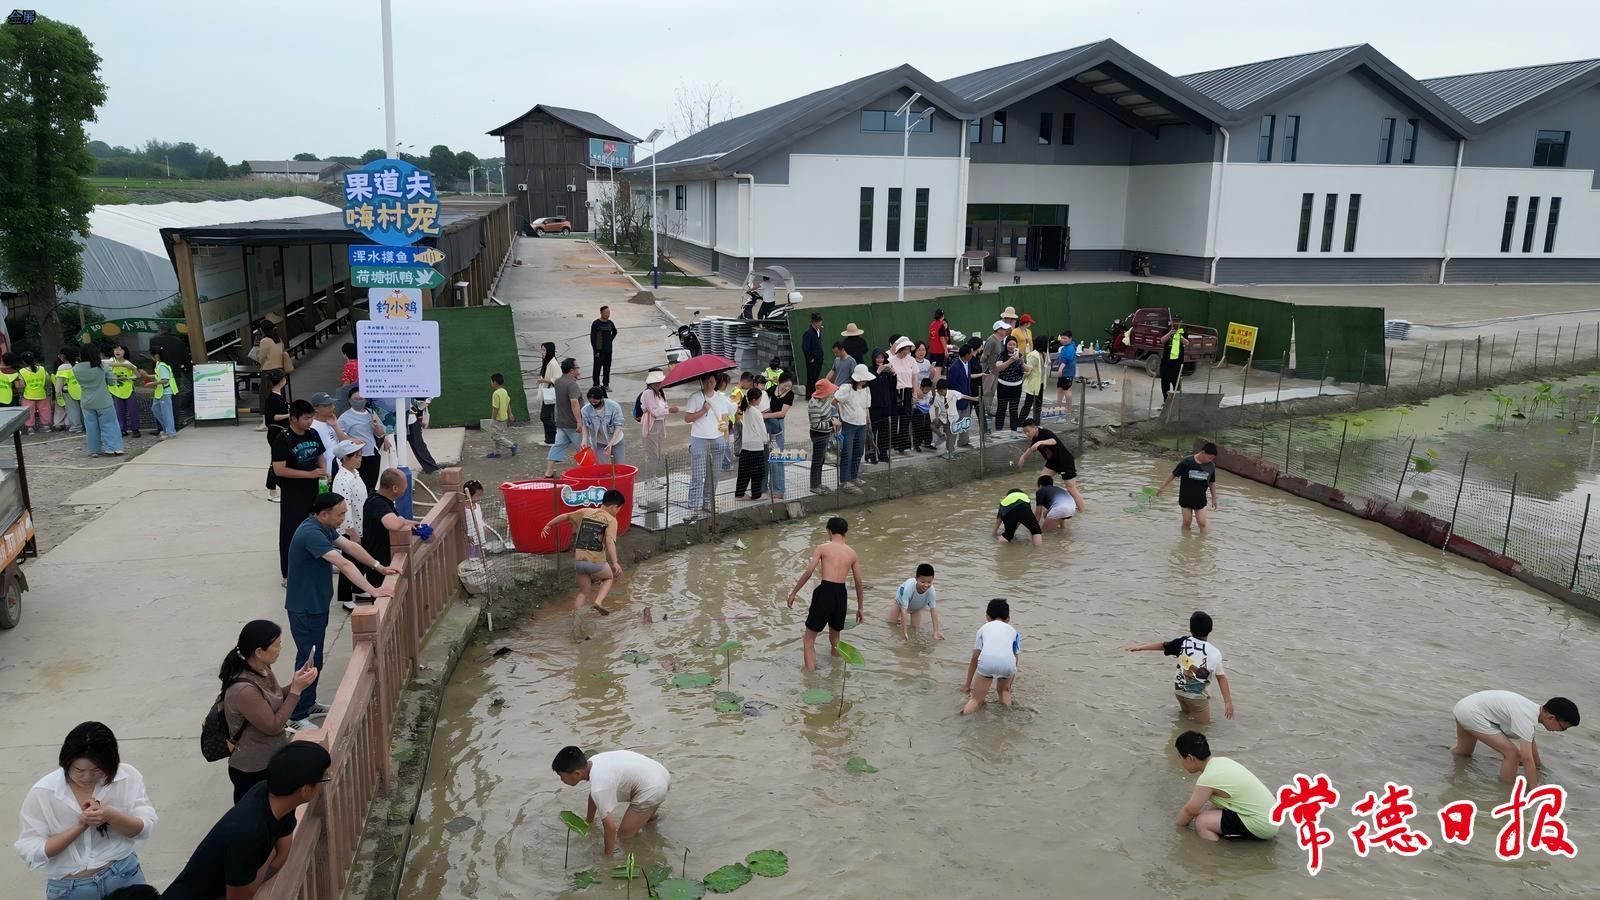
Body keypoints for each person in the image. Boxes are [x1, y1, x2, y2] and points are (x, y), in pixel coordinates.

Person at [161, 742, 331, 900]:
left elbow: (281, 856)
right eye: (324, 778)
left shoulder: (271, 792)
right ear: (305, 790)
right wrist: (268, 857)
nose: (325, 781)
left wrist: (265, 861)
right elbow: (240, 897)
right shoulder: (249, 833)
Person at [286, 492, 396, 728]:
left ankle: (309, 703)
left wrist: (379, 566)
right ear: (324, 514)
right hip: (304, 607)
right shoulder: (311, 533)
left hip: (317, 604)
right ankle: (296, 716)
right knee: (307, 659)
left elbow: (351, 547)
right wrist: (373, 590)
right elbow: (344, 563)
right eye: (340, 514)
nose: (343, 518)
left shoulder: (324, 527)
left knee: (315, 658)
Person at [15, 721, 157, 898]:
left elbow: (144, 829)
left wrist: (110, 815)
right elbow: (32, 851)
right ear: (66, 762)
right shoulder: (44, 792)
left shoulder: (126, 777)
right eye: (79, 770)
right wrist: (80, 827)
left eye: (96, 770)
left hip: (123, 875)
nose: (87, 777)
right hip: (71, 890)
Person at [218, 620, 317, 803]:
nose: (280, 649)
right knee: (258, 813)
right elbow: (273, 726)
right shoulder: (244, 690)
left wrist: (298, 684)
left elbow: (275, 698)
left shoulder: (263, 668)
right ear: (259, 651)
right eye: (276, 645)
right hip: (253, 769)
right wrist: (296, 691)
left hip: (272, 758)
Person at [551, 746, 670, 857]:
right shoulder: (594, 761)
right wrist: (589, 821)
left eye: (562, 776)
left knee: (623, 837)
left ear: (577, 773)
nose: (562, 780)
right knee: (648, 820)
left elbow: (610, 828)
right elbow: (593, 796)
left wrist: (607, 858)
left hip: (652, 789)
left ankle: (643, 854)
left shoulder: (599, 787)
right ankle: (652, 830)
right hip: (660, 774)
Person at [1124, 610, 1235, 724]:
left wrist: (1140, 647)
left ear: (1190, 629)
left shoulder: (1182, 642)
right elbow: (1221, 678)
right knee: (1203, 727)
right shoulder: (1214, 653)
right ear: (1210, 630)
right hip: (1196, 697)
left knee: (1185, 718)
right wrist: (1228, 702)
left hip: (1179, 690)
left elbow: (1163, 645)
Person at [785, 516, 865, 670]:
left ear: (829, 531)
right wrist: (860, 607)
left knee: (809, 640)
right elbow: (858, 582)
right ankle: (836, 674)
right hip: (841, 596)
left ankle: (810, 677)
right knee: (835, 640)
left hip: (825, 592)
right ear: (845, 533)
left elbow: (809, 572)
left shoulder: (823, 548)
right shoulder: (852, 553)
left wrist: (794, 592)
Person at [1451, 691, 1579, 784]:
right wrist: (1534, 791)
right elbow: (1527, 758)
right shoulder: (1527, 718)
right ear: (1551, 718)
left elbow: (1531, 745)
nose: (1560, 731)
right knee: (1513, 754)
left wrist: (1538, 766)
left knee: (1463, 753)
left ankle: (1442, 758)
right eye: (1563, 728)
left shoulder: (1530, 711)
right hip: (1472, 713)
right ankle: (1506, 789)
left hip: (1464, 706)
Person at [540, 489, 626, 629]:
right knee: (608, 578)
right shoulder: (611, 520)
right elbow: (610, 542)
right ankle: (598, 602)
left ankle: (576, 622)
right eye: (619, 509)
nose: (618, 511)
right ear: (614, 507)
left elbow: (565, 516)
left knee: (583, 592)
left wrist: (549, 524)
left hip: (579, 562)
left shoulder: (585, 512)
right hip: (596, 562)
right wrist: (615, 562)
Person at [1173, 732, 1279, 843]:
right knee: (1208, 816)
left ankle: (1216, 849)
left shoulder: (1207, 778)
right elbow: (1224, 799)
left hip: (1262, 826)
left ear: (1190, 758)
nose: (1180, 761)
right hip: (1272, 818)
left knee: (1202, 822)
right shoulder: (1223, 762)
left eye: (1180, 757)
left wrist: (1177, 829)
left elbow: (1190, 811)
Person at [271, 400, 326, 581]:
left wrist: (323, 472)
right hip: (294, 493)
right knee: (292, 532)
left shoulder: (313, 433)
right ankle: (289, 574)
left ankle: (318, 562)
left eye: (311, 418)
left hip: (315, 489)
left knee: (318, 527)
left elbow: (320, 455)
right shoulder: (283, 439)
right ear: (293, 418)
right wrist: (309, 474)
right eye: (306, 418)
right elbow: (279, 469)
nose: (310, 422)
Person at [683, 374, 733, 516]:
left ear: (716, 382)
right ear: (702, 381)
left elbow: (725, 417)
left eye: (712, 381)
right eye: (706, 381)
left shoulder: (721, 398)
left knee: (714, 475)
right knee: (698, 475)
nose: (709, 384)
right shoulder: (695, 397)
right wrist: (703, 410)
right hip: (699, 438)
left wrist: (725, 436)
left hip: (717, 438)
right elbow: (687, 418)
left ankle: (708, 502)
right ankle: (693, 505)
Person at [330, 440, 370, 611]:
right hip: (351, 529)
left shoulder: (354, 473)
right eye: (356, 456)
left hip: (361, 525)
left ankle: (359, 589)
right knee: (349, 562)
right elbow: (343, 509)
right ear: (345, 458)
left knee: (360, 561)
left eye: (360, 455)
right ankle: (346, 598)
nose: (360, 459)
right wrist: (351, 532)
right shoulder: (342, 480)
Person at [961, 598, 1019, 714]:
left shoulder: (983, 629)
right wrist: (1009, 685)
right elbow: (1015, 657)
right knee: (1004, 691)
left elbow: (975, 657)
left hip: (987, 662)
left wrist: (967, 684)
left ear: (987, 617)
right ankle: (1007, 716)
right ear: (1008, 619)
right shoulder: (1014, 632)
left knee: (976, 699)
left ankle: (961, 718)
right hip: (1008, 664)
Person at [1018, 419, 1086, 511]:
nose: (1026, 434)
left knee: (1071, 489)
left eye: (1028, 431)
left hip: (1064, 462)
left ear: (1035, 428)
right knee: (1042, 484)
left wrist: (1040, 442)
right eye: (1024, 432)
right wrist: (1023, 458)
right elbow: (1030, 450)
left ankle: (1082, 512)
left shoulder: (1045, 432)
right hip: (1052, 463)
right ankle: (1049, 504)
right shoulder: (1035, 438)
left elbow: (1053, 441)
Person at [73, 346, 124, 459]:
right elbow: (112, 382)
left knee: (91, 427)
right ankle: (113, 448)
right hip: (103, 400)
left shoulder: (76, 368)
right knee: (109, 424)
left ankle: (94, 450)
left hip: (86, 401)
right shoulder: (102, 366)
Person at [1158, 442, 1219, 532]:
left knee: (1202, 523)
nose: (1211, 460)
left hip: (1200, 499)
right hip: (1186, 498)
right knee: (1187, 522)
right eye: (1210, 458)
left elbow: (1212, 482)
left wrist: (1214, 498)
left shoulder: (1211, 466)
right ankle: (1184, 539)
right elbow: (1173, 475)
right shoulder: (1187, 462)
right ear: (1202, 452)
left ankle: (1203, 540)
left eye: (1212, 459)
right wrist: (1162, 488)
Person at [833, 365, 873, 493]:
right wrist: (840, 415)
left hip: (862, 424)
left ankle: (854, 476)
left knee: (858, 452)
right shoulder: (847, 388)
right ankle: (844, 481)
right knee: (847, 453)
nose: (864, 381)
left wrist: (868, 423)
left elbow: (866, 407)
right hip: (848, 425)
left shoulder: (866, 390)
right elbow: (834, 401)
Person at [336, 389, 386, 492]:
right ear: (349, 400)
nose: (359, 401)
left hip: (372, 454)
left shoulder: (371, 413)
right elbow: (339, 436)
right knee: (359, 485)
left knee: (372, 485)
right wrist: (352, 440)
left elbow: (380, 434)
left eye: (361, 398)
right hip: (356, 456)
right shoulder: (344, 417)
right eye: (356, 399)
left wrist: (376, 425)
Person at [545, 358, 584, 477]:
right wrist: (579, 422)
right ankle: (585, 473)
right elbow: (574, 403)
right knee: (583, 449)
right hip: (573, 424)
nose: (579, 369)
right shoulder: (572, 384)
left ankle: (549, 472)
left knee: (558, 446)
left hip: (561, 422)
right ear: (572, 370)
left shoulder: (559, 381)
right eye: (577, 367)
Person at [638, 370, 678, 483]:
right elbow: (654, 412)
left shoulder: (660, 393)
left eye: (659, 382)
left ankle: (653, 476)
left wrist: (668, 409)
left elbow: (662, 408)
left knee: (657, 453)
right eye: (655, 382)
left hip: (659, 424)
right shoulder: (648, 393)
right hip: (651, 425)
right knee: (652, 454)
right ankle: (649, 479)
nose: (657, 384)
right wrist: (669, 410)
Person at [887, 563, 943, 641]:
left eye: (929, 582)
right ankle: (899, 618)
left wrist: (936, 631)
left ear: (933, 579)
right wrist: (905, 632)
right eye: (923, 582)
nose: (926, 585)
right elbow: (904, 610)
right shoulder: (909, 588)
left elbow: (933, 611)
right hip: (900, 604)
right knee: (891, 624)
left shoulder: (931, 591)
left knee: (915, 629)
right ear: (916, 579)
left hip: (916, 608)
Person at [254, 322, 294, 425]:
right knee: (279, 395)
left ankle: (265, 422)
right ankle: (281, 417)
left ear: (262, 330)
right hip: (279, 370)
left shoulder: (265, 341)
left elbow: (262, 357)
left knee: (265, 396)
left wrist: (261, 365)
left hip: (268, 370)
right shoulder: (279, 340)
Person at [734, 385, 769, 500]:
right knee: (758, 472)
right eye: (760, 398)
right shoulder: (756, 412)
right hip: (756, 446)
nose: (761, 400)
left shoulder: (746, 409)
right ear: (754, 399)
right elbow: (761, 429)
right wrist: (766, 440)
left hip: (746, 445)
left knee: (744, 471)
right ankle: (756, 494)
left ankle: (739, 494)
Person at [763, 372, 793, 500]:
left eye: (789, 386)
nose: (787, 388)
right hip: (767, 424)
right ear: (779, 382)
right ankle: (765, 486)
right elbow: (763, 399)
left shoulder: (790, 395)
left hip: (778, 424)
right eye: (785, 385)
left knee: (777, 457)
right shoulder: (772, 389)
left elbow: (782, 413)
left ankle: (779, 489)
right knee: (766, 455)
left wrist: (765, 415)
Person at [262, 370, 289, 502]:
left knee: (281, 460)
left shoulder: (278, 396)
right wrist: (289, 414)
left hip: (280, 432)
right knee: (276, 461)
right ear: (281, 381)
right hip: (275, 432)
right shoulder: (272, 398)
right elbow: (272, 417)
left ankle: (278, 488)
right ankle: (272, 491)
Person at [807, 378, 839, 494]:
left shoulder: (825, 400)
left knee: (821, 460)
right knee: (817, 460)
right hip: (818, 434)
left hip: (826, 433)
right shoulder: (814, 404)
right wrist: (832, 423)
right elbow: (816, 424)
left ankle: (818, 483)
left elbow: (828, 415)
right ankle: (814, 485)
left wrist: (833, 420)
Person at [888, 337, 919, 453]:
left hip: (907, 390)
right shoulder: (891, 360)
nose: (907, 351)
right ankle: (892, 444)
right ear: (899, 349)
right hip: (895, 391)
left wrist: (914, 393)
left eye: (908, 349)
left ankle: (903, 445)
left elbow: (914, 377)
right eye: (905, 349)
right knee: (894, 418)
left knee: (906, 418)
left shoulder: (912, 360)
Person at [581, 387, 626, 465]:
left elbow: (618, 426)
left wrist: (611, 443)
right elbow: (585, 425)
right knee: (601, 466)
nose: (593, 404)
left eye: (596, 402)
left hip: (616, 441)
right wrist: (584, 439)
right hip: (599, 443)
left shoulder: (614, 406)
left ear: (602, 398)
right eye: (591, 402)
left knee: (620, 465)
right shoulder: (585, 410)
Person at [867, 349, 898, 461]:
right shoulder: (870, 370)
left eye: (882, 357)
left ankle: (883, 453)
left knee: (885, 431)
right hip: (874, 406)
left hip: (886, 405)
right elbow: (869, 385)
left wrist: (894, 374)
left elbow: (893, 386)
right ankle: (870, 454)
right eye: (878, 357)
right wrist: (877, 372)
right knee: (872, 431)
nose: (880, 360)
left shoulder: (887, 370)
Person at [105, 345, 141, 438]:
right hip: (116, 391)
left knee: (133, 410)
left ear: (125, 352)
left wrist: (129, 374)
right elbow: (104, 364)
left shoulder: (129, 364)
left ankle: (135, 429)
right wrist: (123, 365)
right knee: (119, 411)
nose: (118, 351)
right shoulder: (112, 360)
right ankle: (122, 429)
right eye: (116, 349)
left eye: (120, 350)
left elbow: (137, 376)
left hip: (128, 390)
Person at [992, 336, 1026, 432]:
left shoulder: (1020, 355)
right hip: (1003, 386)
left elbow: (1027, 369)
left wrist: (1021, 361)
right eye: (1009, 344)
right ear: (1006, 345)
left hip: (1016, 386)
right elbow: (999, 368)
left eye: (1014, 344)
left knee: (1014, 410)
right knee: (1001, 409)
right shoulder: (1002, 355)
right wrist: (1011, 360)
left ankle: (1014, 430)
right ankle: (999, 430)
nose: (1011, 346)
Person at [947, 344, 978, 448]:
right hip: (957, 400)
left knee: (965, 421)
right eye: (971, 353)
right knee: (955, 423)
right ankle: (950, 446)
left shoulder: (968, 364)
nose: (972, 355)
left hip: (966, 398)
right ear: (966, 354)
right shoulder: (955, 367)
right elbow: (951, 385)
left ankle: (964, 441)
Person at [927, 377, 967, 459]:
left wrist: (975, 399)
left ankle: (950, 452)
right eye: (938, 391)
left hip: (952, 419)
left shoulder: (953, 393)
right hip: (943, 417)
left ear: (946, 389)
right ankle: (941, 436)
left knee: (950, 436)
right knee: (932, 425)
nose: (940, 393)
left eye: (941, 391)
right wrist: (936, 417)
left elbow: (963, 396)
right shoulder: (938, 396)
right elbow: (936, 407)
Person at [1158, 315, 1191, 404]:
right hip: (1166, 362)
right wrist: (1170, 333)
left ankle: (1176, 402)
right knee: (1165, 383)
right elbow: (1162, 340)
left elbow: (1187, 343)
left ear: (1181, 322)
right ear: (1171, 321)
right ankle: (1166, 401)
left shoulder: (1183, 331)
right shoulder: (1167, 330)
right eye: (1174, 321)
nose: (1175, 323)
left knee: (1176, 383)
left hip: (1177, 363)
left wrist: (1179, 336)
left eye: (1177, 321)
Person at [18, 351, 53, 434]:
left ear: (23, 361)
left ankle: (30, 428)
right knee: (45, 410)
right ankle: (46, 426)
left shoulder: (22, 371)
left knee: (29, 412)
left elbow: (21, 385)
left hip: (28, 395)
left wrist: (20, 393)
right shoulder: (42, 369)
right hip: (41, 394)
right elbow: (48, 379)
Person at [484, 373, 517, 460]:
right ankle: (497, 453)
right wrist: (510, 413)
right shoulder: (504, 391)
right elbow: (508, 403)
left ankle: (512, 445)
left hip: (497, 419)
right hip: (504, 418)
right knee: (498, 435)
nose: (491, 383)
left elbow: (495, 408)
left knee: (495, 436)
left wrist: (493, 419)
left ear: (495, 382)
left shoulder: (496, 393)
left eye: (491, 381)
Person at [148, 346, 179, 439]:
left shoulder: (162, 366)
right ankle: (167, 429)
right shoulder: (159, 364)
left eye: (152, 355)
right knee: (156, 409)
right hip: (160, 392)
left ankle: (170, 432)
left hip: (165, 392)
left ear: (157, 355)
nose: (151, 357)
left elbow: (165, 380)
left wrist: (152, 383)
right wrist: (148, 376)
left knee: (166, 413)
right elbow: (159, 376)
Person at [405, 398, 442, 475]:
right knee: (394, 449)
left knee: (419, 445)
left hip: (411, 421)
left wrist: (418, 404)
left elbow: (411, 401)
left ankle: (432, 468)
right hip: (394, 422)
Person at [53, 347, 83, 435]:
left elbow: (60, 382)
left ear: (63, 356)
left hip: (69, 391)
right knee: (83, 409)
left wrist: (57, 392)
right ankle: (86, 425)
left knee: (72, 409)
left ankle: (76, 427)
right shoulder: (78, 364)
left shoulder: (62, 367)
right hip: (81, 389)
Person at [590, 305, 618, 389]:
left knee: (607, 368)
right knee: (597, 369)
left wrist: (610, 340)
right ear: (601, 313)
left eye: (609, 312)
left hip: (608, 350)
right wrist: (595, 351)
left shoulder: (610, 323)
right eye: (606, 312)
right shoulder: (596, 323)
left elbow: (615, 332)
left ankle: (606, 384)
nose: (608, 314)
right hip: (599, 351)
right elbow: (592, 338)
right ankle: (596, 385)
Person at [1019, 336, 1046, 424]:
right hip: (1033, 383)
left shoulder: (1043, 354)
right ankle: (1020, 422)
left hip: (1040, 382)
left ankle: (1036, 423)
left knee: (1038, 404)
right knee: (1028, 404)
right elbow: (1028, 369)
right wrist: (1022, 379)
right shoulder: (1033, 355)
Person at [538, 341, 559, 446]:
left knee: (545, 417)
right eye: (541, 350)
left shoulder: (553, 363)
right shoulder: (547, 362)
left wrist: (543, 380)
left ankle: (559, 433)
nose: (542, 352)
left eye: (544, 350)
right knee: (549, 416)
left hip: (550, 392)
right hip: (547, 392)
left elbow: (557, 378)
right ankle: (549, 439)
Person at [801, 312, 825, 398]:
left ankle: (814, 394)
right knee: (811, 378)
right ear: (813, 322)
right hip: (813, 360)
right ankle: (809, 395)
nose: (820, 323)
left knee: (815, 378)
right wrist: (810, 358)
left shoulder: (818, 331)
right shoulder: (808, 333)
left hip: (819, 358)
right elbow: (805, 347)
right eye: (818, 321)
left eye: (820, 321)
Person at [1056, 330, 1077, 411]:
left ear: (1070, 339)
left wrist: (1060, 369)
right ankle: (1058, 406)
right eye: (1061, 338)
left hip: (1068, 373)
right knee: (1060, 389)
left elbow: (1066, 360)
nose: (1062, 340)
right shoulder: (1065, 347)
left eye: (1065, 338)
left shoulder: (1070, 348)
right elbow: (1061, 358)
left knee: (1066, 390)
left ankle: (1069, 407)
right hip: (1063, 373)